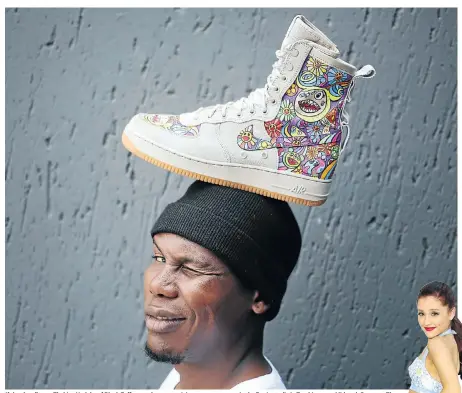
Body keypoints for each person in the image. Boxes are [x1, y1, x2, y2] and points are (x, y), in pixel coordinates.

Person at [142, 181, 302, 389]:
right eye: (160, 258)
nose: (157, 285)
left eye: (193, 268)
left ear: (260, 297)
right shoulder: (186, 377)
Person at [408, 281, 462, 393]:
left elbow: (454, 390)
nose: (426, 322)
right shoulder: (452, 339)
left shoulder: (436, 343)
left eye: (434, 313)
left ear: (451, 313)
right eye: (421, 314)